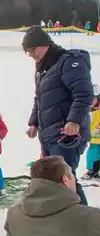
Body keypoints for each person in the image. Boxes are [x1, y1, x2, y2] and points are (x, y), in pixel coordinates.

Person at [23, 25, 93, 205]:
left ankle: (82, 220)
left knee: (65, 179)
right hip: (48, 134)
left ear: (43, 45)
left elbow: (84, 94)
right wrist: (34, 122)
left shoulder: (68, 62)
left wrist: (74, 121)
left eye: (31, 50)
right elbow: (40, 98)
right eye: (27, 51)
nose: (29, 54)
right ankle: (62, 218)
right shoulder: (43, 68)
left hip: (67, 135)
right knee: (53, 181)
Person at [84, 94, 100, 180]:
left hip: (94, 139)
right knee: (93, 154)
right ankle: (91, 170)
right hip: (94, 140)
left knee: (94, 154)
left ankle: (94, 170)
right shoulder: (92, 114)